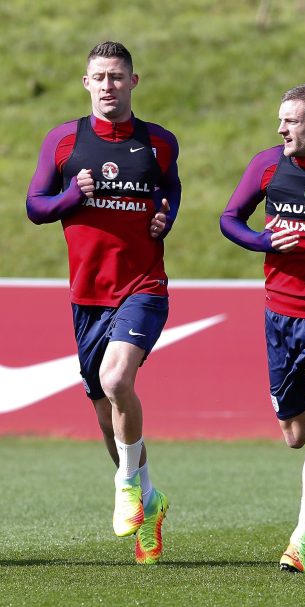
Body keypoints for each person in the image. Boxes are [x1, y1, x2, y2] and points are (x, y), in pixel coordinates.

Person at [25, 41, 180, 565]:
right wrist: (73, 196)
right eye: (99, 76)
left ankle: (128, 489)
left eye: (117, 76)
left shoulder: (159, 142)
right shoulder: (65, 140)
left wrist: (166, 216)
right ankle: (148, 498)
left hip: (142, 286)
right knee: (104, 411)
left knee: (117, 382)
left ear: (134, 81)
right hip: (86, 294)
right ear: (86, 82)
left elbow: (170, 191)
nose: (109, 85)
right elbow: (35, 206)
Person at [220, 84, 305, 574]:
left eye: (291, 121)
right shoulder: (267, 165)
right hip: (281, 316)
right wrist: (262, 241)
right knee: (295, 433)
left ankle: (301, 540)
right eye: (280, 121)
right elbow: (229, 218)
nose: (281, 130)